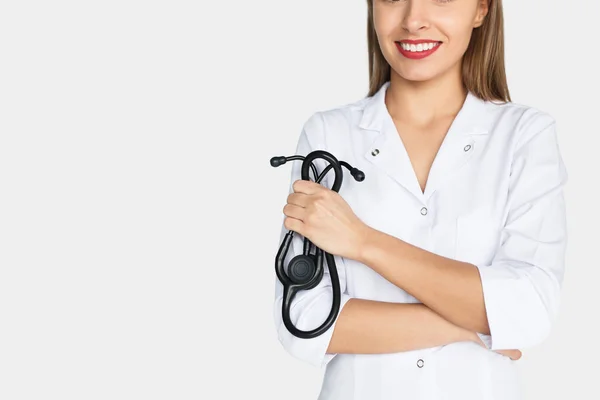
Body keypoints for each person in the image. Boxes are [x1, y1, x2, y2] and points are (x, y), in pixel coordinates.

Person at [273, 0, 568, 399]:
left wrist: (363, 242)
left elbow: (529, 307)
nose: (413, 20)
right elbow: (304, 320)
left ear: (481, 9)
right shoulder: (328, 135)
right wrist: (474, 324)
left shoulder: (523, 135)